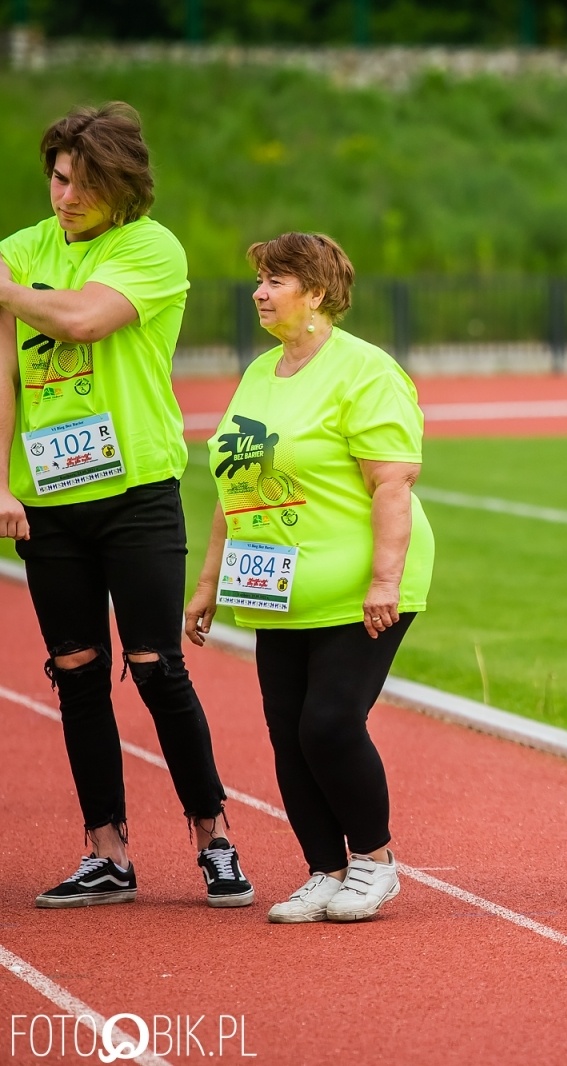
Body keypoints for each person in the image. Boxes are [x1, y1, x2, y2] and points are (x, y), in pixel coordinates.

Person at [0, 103, 254, 909]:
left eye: (85, 183)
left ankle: (213, 836)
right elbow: (1, 377)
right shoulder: (21, 250)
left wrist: (7, 292)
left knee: (154, 666)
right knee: (75, 672)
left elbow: (81, 318)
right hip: (49, 501)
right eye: (59, 176)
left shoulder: (149, 247)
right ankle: (105, 853)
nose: (65, 195)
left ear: (123, 188)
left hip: (136, 491)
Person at [184, 232, 434, 924]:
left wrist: (384, 581)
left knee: (327, 724)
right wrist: (207, 582)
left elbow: (392, 483)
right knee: (287, 731)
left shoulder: (366, 371)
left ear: (317, 293)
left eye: (276, 281)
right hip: (272, 585)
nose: (259, 293)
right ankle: (323, 870)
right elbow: (236, 489)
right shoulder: (259, 373)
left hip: (358, 583)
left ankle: (374, 863)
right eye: (259, 280)